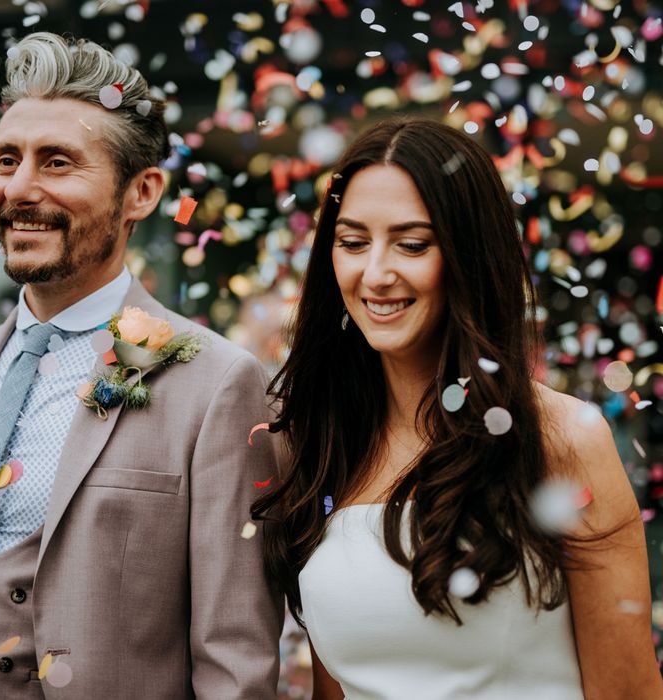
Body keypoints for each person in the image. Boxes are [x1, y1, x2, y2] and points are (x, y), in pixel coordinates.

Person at [0, 32, 283, 698]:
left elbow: (234, 656)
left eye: (57, 163)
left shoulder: (218, 383)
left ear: (142, 192)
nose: (20, 188)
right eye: (7, 159)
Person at [253, 117, 663, 699]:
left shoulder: (563, 439)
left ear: (469, 256)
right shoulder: (325, 448)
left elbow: (628, 693)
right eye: (352, 242)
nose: (376, 274)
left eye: (412, 244)